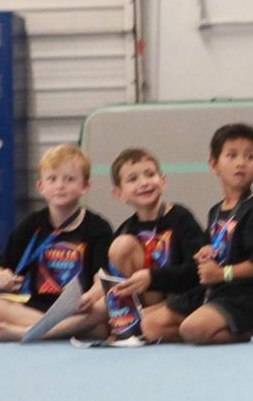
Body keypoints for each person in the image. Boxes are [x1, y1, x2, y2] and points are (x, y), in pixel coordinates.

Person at [138, 124, 253, 345]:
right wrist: (204, 253)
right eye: (231, 156)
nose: (240, 163)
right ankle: (215, 326)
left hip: (242, 299)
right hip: (211, 292)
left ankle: (244, 328)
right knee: (148, 326)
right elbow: (213, 247)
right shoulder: (216, 211)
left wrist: (224, 274)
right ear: (214, 164)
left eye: (250, 157)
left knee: (193, 330)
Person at [76, 146, 209, 345]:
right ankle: (45, 330)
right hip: (149, 301)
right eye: (133, 179)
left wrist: (151, 277)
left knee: (138, 325)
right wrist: (89, 296)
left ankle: (165, 325)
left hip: (184, 298)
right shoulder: (126, 229)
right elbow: (109, 275)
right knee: (99, 316)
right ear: (119, 194)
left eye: (150, 174)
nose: (144, 183)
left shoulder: (181, 218)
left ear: (162, 181)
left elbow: (196, 270)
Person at [0, 144, 113, 342]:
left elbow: (102, 280)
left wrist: (90, 297)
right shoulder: (31, 225)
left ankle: (28, 332)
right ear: (41, 187)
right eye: (52, 179)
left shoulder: (98, 227)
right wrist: (0, 277)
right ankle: (63, 330)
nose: (60, 185)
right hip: (39, 307)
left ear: (85, 186)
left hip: (78, 309)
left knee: (107, 302)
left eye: (69, 179)